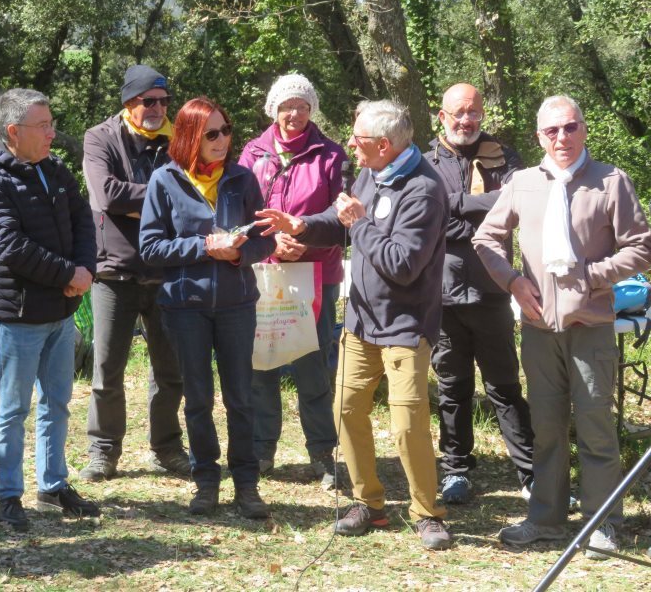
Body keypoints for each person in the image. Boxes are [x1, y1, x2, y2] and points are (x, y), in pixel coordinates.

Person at [256, 100, 453, 550]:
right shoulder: (371, 171)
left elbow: (402, 264)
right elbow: (341, 221)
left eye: (359, 139)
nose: (350, 145)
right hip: (361, 321)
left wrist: (358, 224)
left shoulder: (424, 190)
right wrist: (302, 225)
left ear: (384, 145)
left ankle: (427, 513)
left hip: (406, 326)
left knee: (407, 423)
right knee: (346, 411)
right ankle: (368, 503)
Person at [474, 95, 651, 558]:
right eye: (552, 130)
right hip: (538, 329)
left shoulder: (610, 180)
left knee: (596, 427)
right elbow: (486, 238)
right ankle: (546, 519)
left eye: (570, 127)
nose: (562, 137)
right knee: (547, 428)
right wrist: (513, 282)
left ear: (583, 129)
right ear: (539, 137)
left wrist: (592, 276)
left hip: (591, 326)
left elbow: (641, 248)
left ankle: (602, 523)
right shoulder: (523, 183)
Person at [0, 88, 99, 530]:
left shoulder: (54, 169)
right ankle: (8, 494)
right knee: (14, 409)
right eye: (43, 126)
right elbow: (8, 246)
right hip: (21, 316)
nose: (52, 133)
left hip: (61, 311)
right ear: (13, 131)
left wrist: (84, 269)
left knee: (57, 403)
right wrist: (67, 274)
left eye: (51, 124)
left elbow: (83, 220)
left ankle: (52, 485)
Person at [140, 96, 276, 518]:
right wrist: (204, 247)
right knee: (197, 398)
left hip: (237, 304)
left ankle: (247, 484)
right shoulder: (164, 180)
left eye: (226, 130)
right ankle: (206, 482)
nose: (222, 140)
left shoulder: (242, 178)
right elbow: (150, 247)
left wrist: (237, 254)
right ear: (189, 137)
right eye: (211, 133)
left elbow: (266, 240)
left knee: (241, 397)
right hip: (185, 307)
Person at [425, 83, 534, 504]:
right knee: (452, 388)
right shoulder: (423, 162)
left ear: (482, 113)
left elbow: (514, 208)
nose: (467, 120)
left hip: (493, 289)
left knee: (504, 387)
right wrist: (484, 208)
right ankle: (456, 470)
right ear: (442, 116)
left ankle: (530, 474)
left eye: (474, 112)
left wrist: (454, 205)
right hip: (443, 294)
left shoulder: (506, 158)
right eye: (459, 113)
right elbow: (429, 219)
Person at [80, 65, 187, 481]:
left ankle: (167, 448)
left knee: (170, 370)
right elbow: (107, 195)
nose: (158, 108)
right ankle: (103, 452)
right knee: (107, 370)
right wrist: (166, 197)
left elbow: (196, 192)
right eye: (149, 101)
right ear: (129, 103)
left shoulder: (180, 138)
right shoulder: (100, 137)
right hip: (114, 270)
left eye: (164, 101)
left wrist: (144, 203)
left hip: (168, 268)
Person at [238, 74, 345, 489]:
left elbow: (342, 215)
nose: (294, 113)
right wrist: (270, 241)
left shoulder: (331, 155)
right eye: (286, 106)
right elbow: (238, 210)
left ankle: (322, 453)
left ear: (312, 110)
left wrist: (306, 238)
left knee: (313, 366)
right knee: (261, 362)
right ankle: (262, 449)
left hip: (316, 273)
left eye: (302, 106)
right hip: (262, 272)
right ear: (273, 110)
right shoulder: (253, 153)